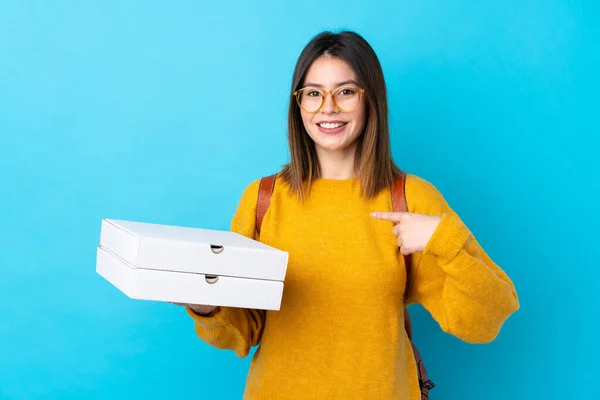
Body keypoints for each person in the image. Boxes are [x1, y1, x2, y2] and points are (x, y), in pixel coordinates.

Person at [175, 31, 519, 399]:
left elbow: (484, 323)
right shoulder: (263, 199)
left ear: (371, 99)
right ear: (298, 105)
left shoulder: (410, 198)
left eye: (346, 91)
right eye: (313, 93)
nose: (328, 107)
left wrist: (446, 241)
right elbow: (242, 333)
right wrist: (206, 305)